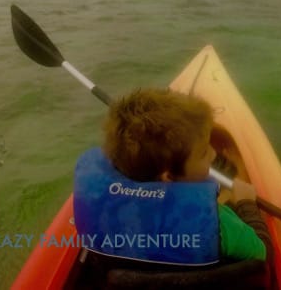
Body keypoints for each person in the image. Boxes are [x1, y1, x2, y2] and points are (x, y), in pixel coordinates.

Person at [73, 88, 269, 273]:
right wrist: (246, 204)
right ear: (168, 176)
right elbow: (261, 254)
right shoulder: (220, 222)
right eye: (203, 153)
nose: (213, 154)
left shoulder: (101, 202)